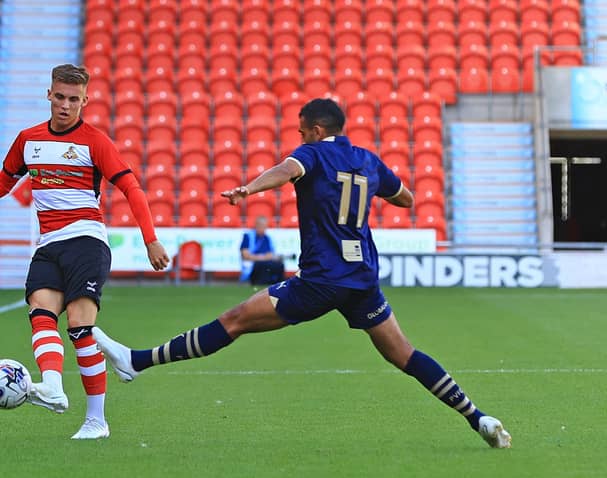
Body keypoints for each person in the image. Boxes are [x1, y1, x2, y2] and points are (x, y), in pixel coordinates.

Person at [93, 98, 511, 448]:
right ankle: (478, 417)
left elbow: (287, 170)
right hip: (362, 279)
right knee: (404, 354)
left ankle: (137, 362)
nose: (299, 139)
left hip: (320, 280)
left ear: (314, 129)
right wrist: (381, 191)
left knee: (235, 320)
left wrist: (248, 188)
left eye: (300, 132)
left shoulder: (312, 153)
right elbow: (406, 197)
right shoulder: (368, 159)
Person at [0, 64, 170, 439]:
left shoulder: (94, 142)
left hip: (86, 241)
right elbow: (4, 182)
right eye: (59, 97)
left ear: (85, 101)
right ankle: (54, 387)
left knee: (79, 326)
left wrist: (150, 238)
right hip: (48, 246)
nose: (65, 106)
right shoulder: (28, 140)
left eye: (73, 100)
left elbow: (133, 188)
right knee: (41, 313)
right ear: (49, 95)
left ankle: (97, 421)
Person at [239, 215, 285, 285]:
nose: (263, 228)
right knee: (261, 265)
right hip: (253, 265)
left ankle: (279, 286)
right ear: (256, 225)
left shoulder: (267, 238)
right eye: (261, 226)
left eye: (265, 226)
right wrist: (262, 257)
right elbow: (245, 255)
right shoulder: (248, 236)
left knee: (279, 265)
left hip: (265, 263)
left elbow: (271, 254)